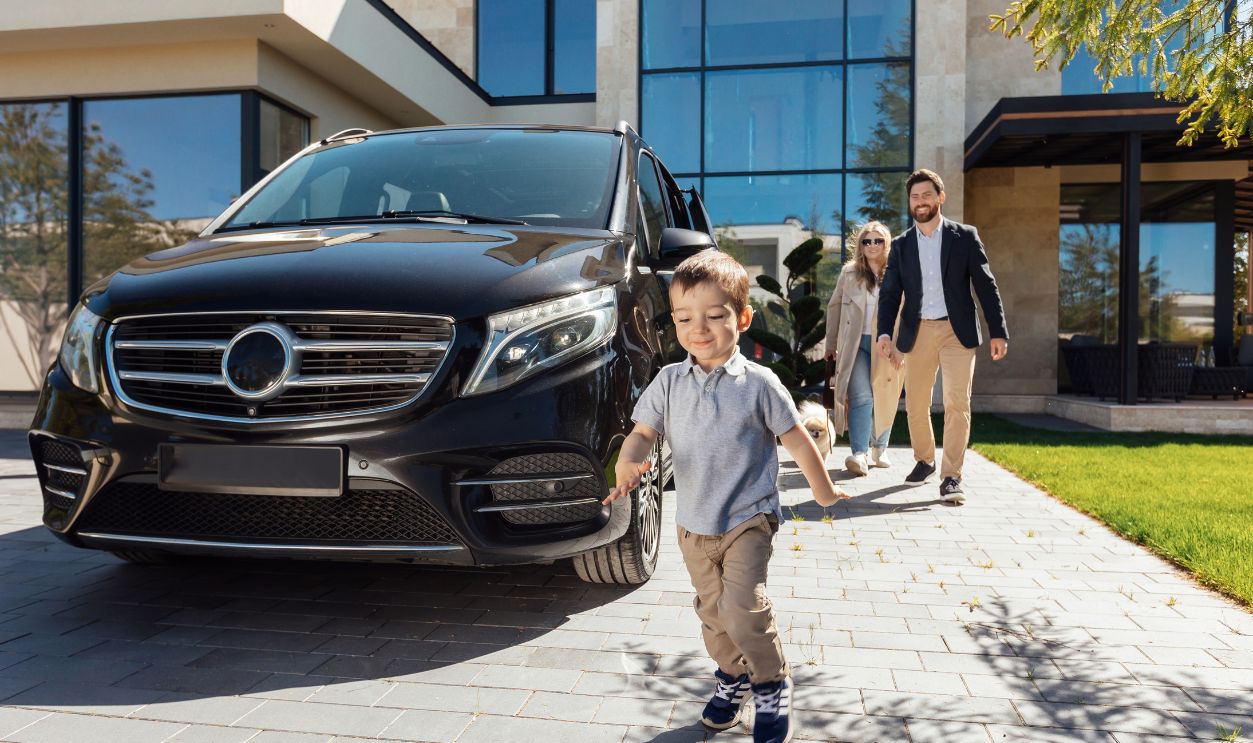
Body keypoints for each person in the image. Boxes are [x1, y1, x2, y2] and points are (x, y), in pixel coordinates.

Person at [603, 250, 848, 743]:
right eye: (685, 318)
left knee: (743, 608)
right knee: (713, 615)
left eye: (715, 316)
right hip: (694, 523)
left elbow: (797, 439)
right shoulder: (670, 380)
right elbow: (642, 432)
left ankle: (771, 682)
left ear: (742, 317)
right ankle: (732, 677)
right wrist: (628, 460)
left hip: (748, 518)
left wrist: (822, 490)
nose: (700, 328)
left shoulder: (759, 383)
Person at [876, 169, 1008, 504]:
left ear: (940, 197)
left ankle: (952, 476)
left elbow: (985, 285)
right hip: (916, 330)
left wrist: (998, 331)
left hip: (956, 331)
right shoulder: (902, 246)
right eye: (915, 197)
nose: (920, 202)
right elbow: (890, 294)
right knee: (917, 403)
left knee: (955, 402)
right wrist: (884, 333)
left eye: (926, 195)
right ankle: (925, 460)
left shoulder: (964, 237)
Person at [824, 221, 905, 476]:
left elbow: (908, 310)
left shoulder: (898, 272)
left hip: (887, 344)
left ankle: (879, 448)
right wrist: (831, 344)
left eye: (877, 240)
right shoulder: (849, 273)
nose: (872, 245)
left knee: (885, 393)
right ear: (860, 245)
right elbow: (834, 307)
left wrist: (903, 346)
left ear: (887, 243)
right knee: (861, 397)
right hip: (855, 343)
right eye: (866, 241)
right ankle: (858, 453)